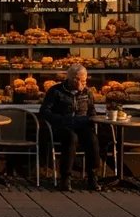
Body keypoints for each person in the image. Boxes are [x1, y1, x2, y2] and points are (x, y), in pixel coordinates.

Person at [39, 63, 101, 192]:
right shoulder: (56, 91)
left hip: (81, 124)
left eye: (84, 81)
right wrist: (61, 119)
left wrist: (92, 119)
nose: (82, 84)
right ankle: (65, 178)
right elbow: (45, 111)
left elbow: (91, 110)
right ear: (72, 79)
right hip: (62, 126)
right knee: (71, 138)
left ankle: (92, 176)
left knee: (92, 139)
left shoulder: (87, 93)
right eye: (80, 80)